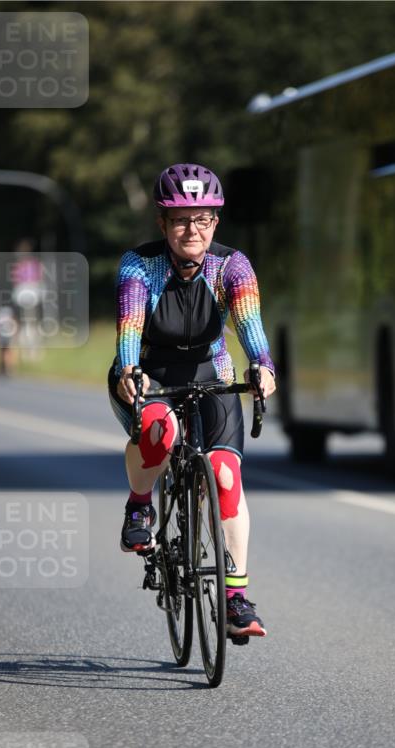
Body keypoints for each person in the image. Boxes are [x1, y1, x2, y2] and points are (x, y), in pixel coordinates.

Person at [108, 163, 276, 639]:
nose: (192, 230)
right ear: (162, 224)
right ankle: (140, 504)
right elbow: (130, 330)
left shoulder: (232, 266)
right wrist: (128, 372)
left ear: (215, 222)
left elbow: (249, 325)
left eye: (202, 219)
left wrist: (263, 365)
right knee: (161, 433)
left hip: (211, 371)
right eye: (181, 220)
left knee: (225, 474)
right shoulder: (139, 266)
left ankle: (236, 599)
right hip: (148, 372)